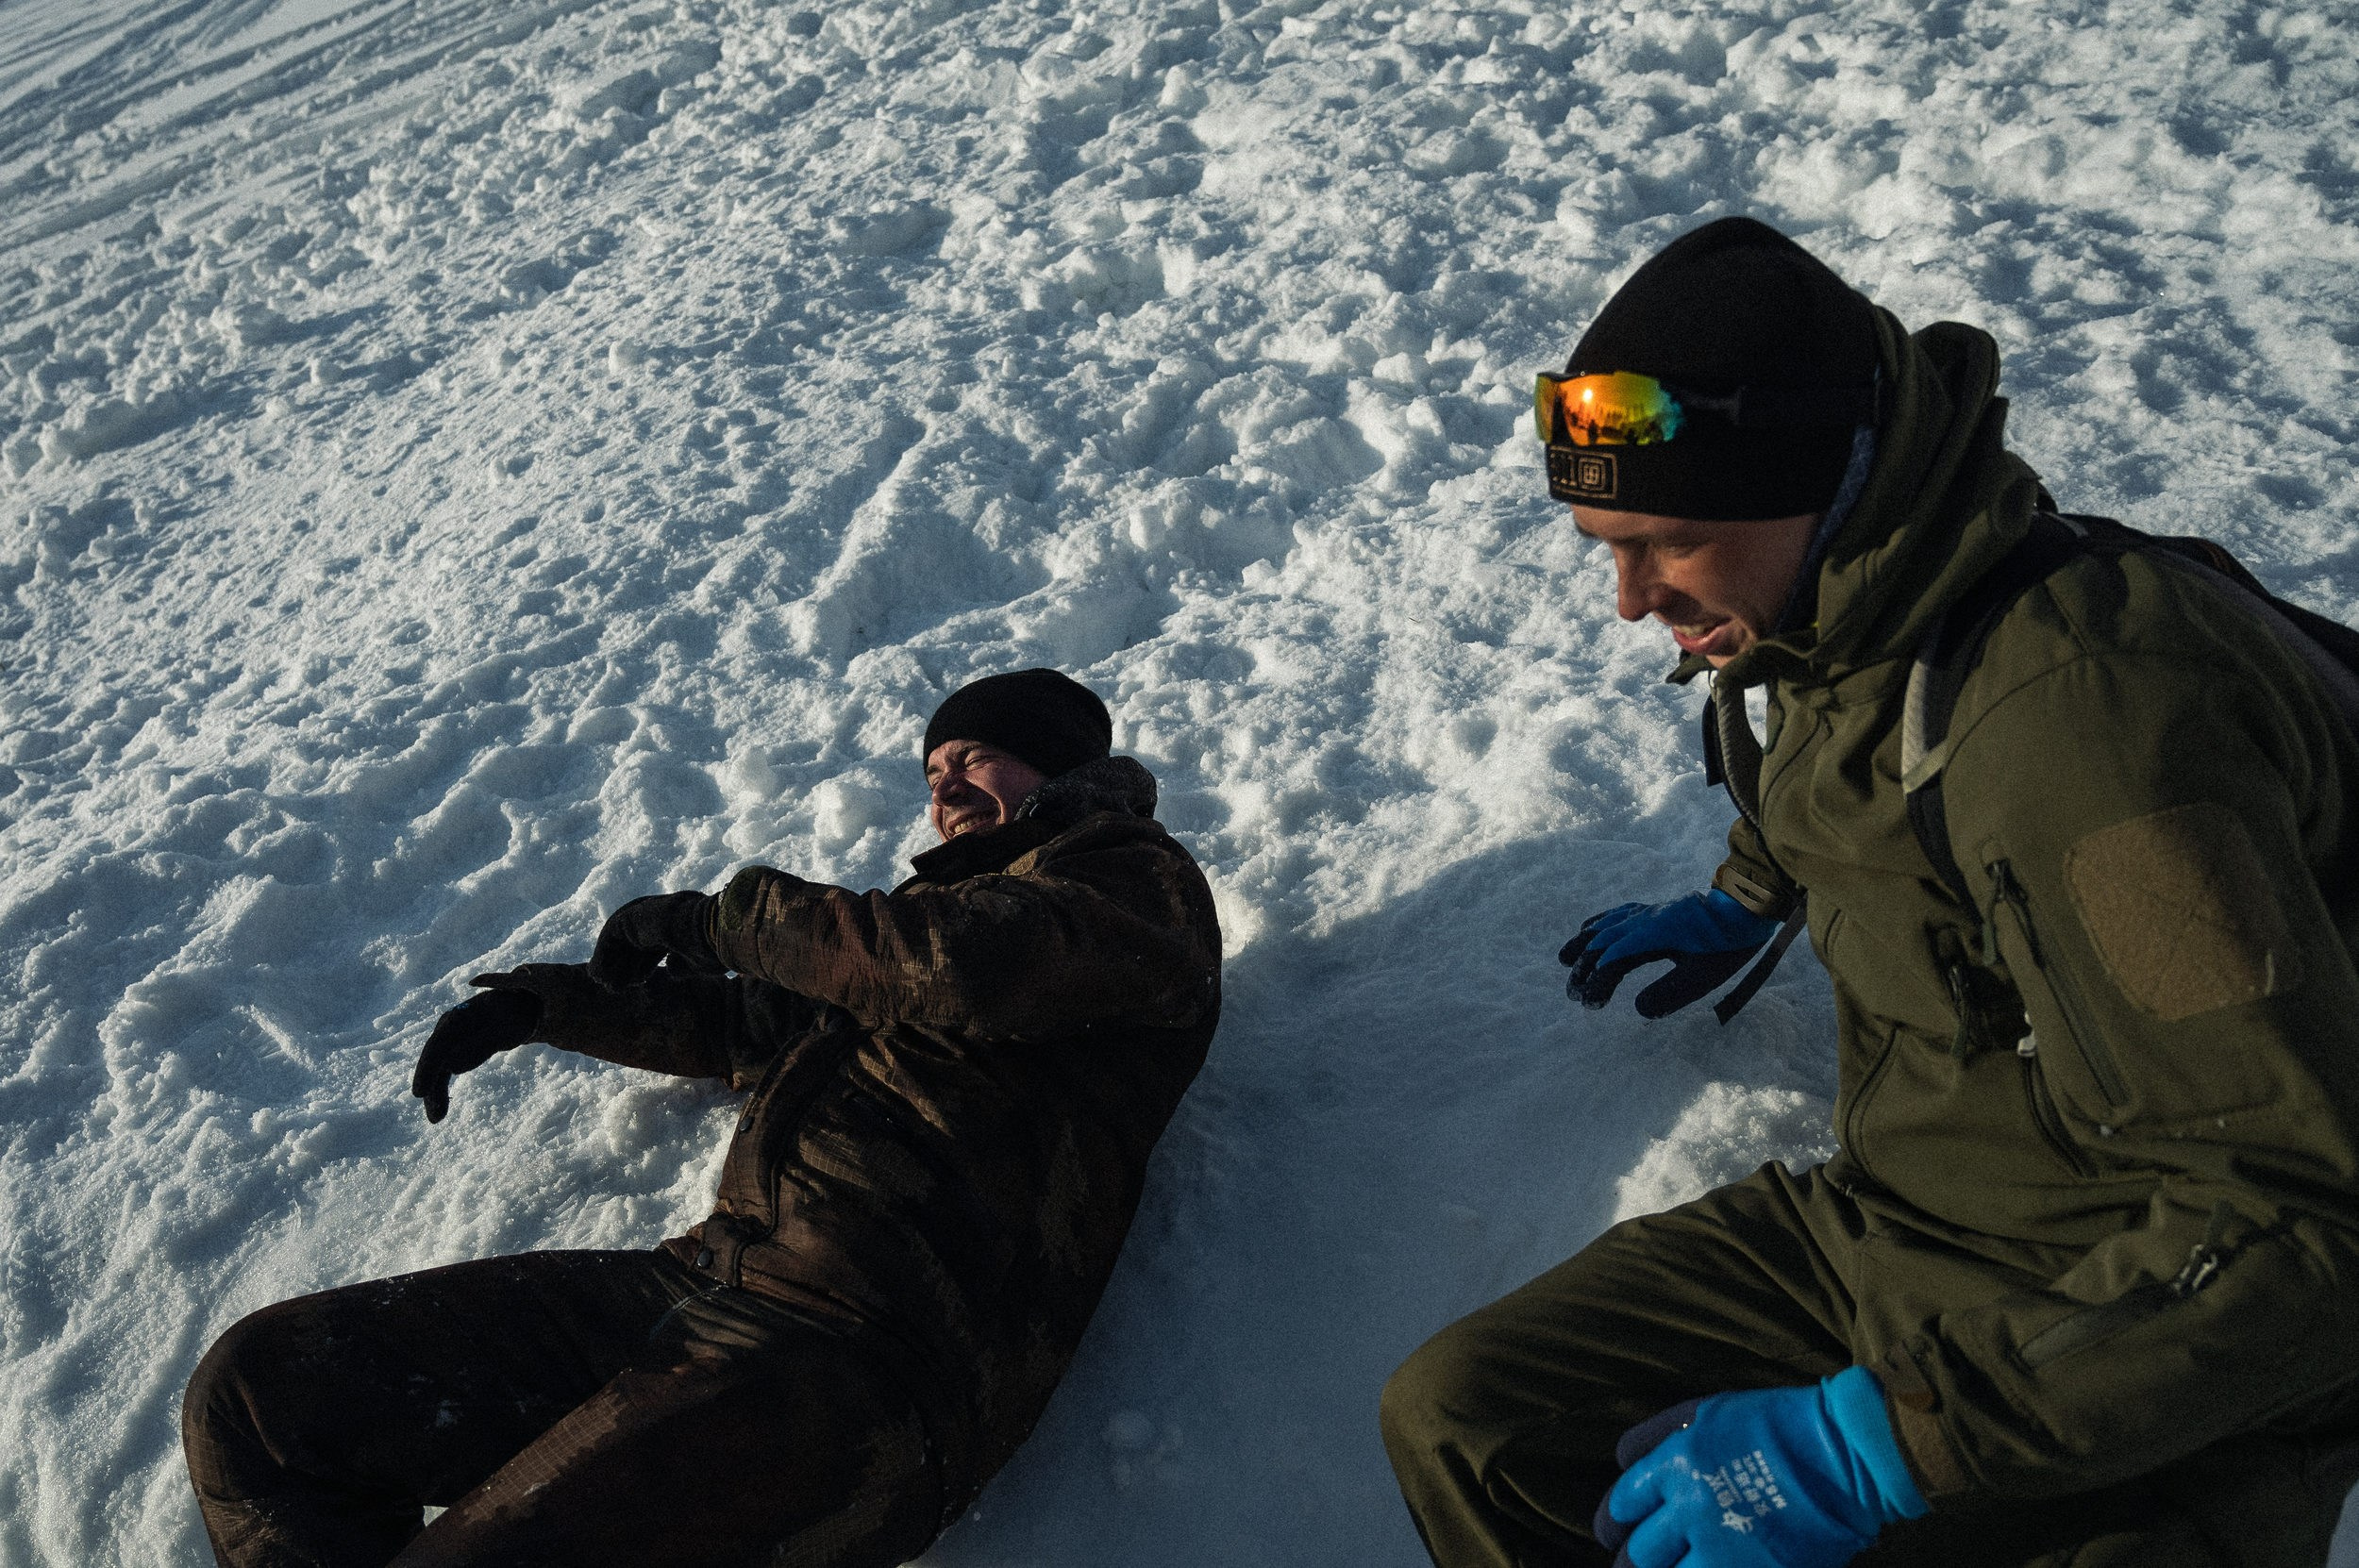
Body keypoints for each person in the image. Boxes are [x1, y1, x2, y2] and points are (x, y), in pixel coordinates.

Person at [1380, 215, 2359, 1567]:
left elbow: (2300, 1226)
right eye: (1604, 543)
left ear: (1819, 480)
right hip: (1899, 1224)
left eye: (1664, 540)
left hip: (2131, 1317)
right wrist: (1745, 892)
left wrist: (1888, 1442)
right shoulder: (1849, 614)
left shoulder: (2093, 731)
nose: (1626, 598)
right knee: (1468, 1416)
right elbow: (1849, 773)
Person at [182, 668, 1223, 1568]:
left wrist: (718, 917)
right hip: (701, 1287)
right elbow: (751, 1020)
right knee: (264, 1398)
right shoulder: (901, 946)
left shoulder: (1130, 882)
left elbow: (965, 965)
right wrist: (548, 1007)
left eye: (976, 755)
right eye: (932, 771)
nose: (945, 786)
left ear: (1055, 764)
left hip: (862, 1358)